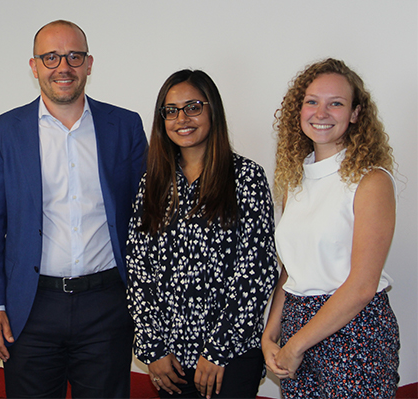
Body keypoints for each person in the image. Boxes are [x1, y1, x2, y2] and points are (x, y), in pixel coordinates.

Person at [0, 20, 147, 398]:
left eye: (74, 56)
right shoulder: (3, 132)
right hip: (30, 308)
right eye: (51, 57)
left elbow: (144, 218)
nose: (63, 67)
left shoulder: (125, 126)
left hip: (107, 306)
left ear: (89, 64)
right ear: (34, 66)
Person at [126, 70, 277, 399]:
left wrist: (217, 351)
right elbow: (138, 269)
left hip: (230, 358)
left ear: (213, 111)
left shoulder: (246, 178)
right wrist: (152, 349)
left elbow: (256, 272)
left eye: (193, 107)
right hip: (170, 363)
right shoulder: (152, 182)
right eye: (171, 110)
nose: (182, 118)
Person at [262, 58, 400, 398]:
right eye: (312, 101)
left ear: (355, 114)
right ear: (299, 109)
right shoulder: (295, 180)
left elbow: (362, 285)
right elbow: (291, 269)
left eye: (335, 103)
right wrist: (270, 333)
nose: (321, 113)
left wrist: (296, 345)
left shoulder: (371, 181)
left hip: (354, 332)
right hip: (297, 325)